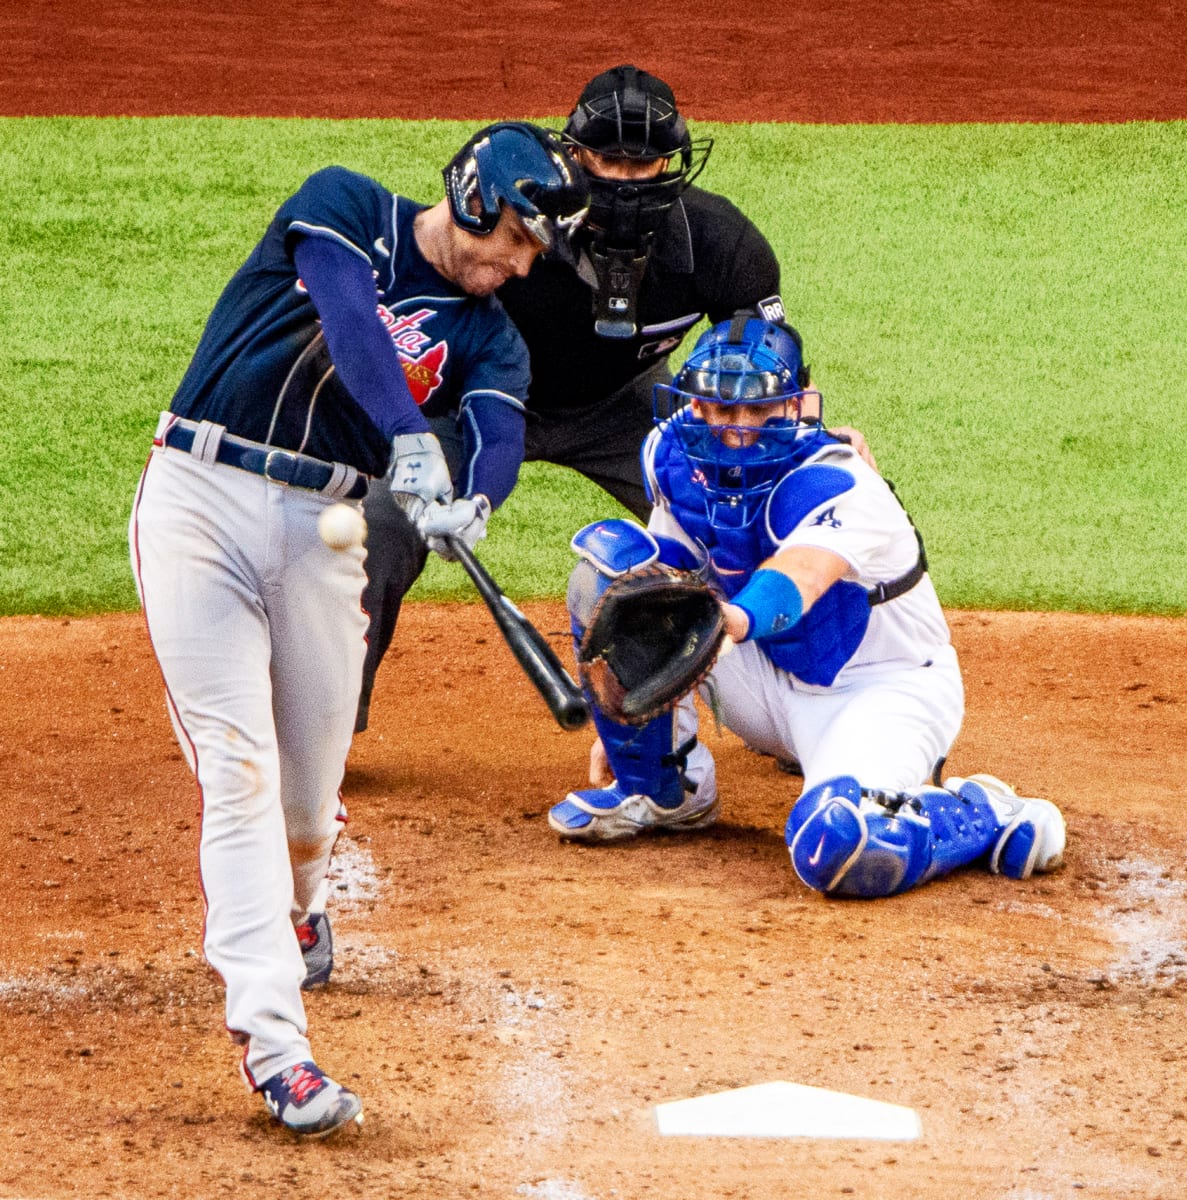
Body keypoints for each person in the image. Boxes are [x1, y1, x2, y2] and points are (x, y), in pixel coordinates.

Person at [128, 123, 589, 1137]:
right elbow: (348, 321)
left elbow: (500, 433)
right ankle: (275, 1045)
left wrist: (473, 496)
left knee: (311, 784)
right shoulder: (347, 210)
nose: (516, 265)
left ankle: (300, 902)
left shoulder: (491, 334)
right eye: (514, 239)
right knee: (238, 771)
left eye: (532, 255)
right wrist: (411, 436)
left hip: (321, 533)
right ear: (472, 197)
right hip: (198, 501)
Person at [356, 64, 833, 733]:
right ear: (573, 155)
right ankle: (327, 722)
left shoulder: (718, 244)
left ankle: (803, 712)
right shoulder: (515, 223)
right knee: (376, 522)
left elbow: (771, 372)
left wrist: (818, 452)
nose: (626, 180)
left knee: (748, 502)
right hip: (479, 402)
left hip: (621, 409)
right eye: (609, 158)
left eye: (647, 163)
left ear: (675, 164)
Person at [550, 315, 1067, 898]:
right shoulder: (675, 461)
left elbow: (801, 575)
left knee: (838, 846)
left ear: (796, 408)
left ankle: (983, 814)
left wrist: (732, 620)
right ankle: (666, 789)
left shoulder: (838, 483)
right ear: (694, 406)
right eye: (720, 410)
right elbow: (666, 577)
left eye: (758, 411)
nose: (736, 431)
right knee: (615, 571)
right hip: (764, 680)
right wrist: (629, 717)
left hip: (881, 690)